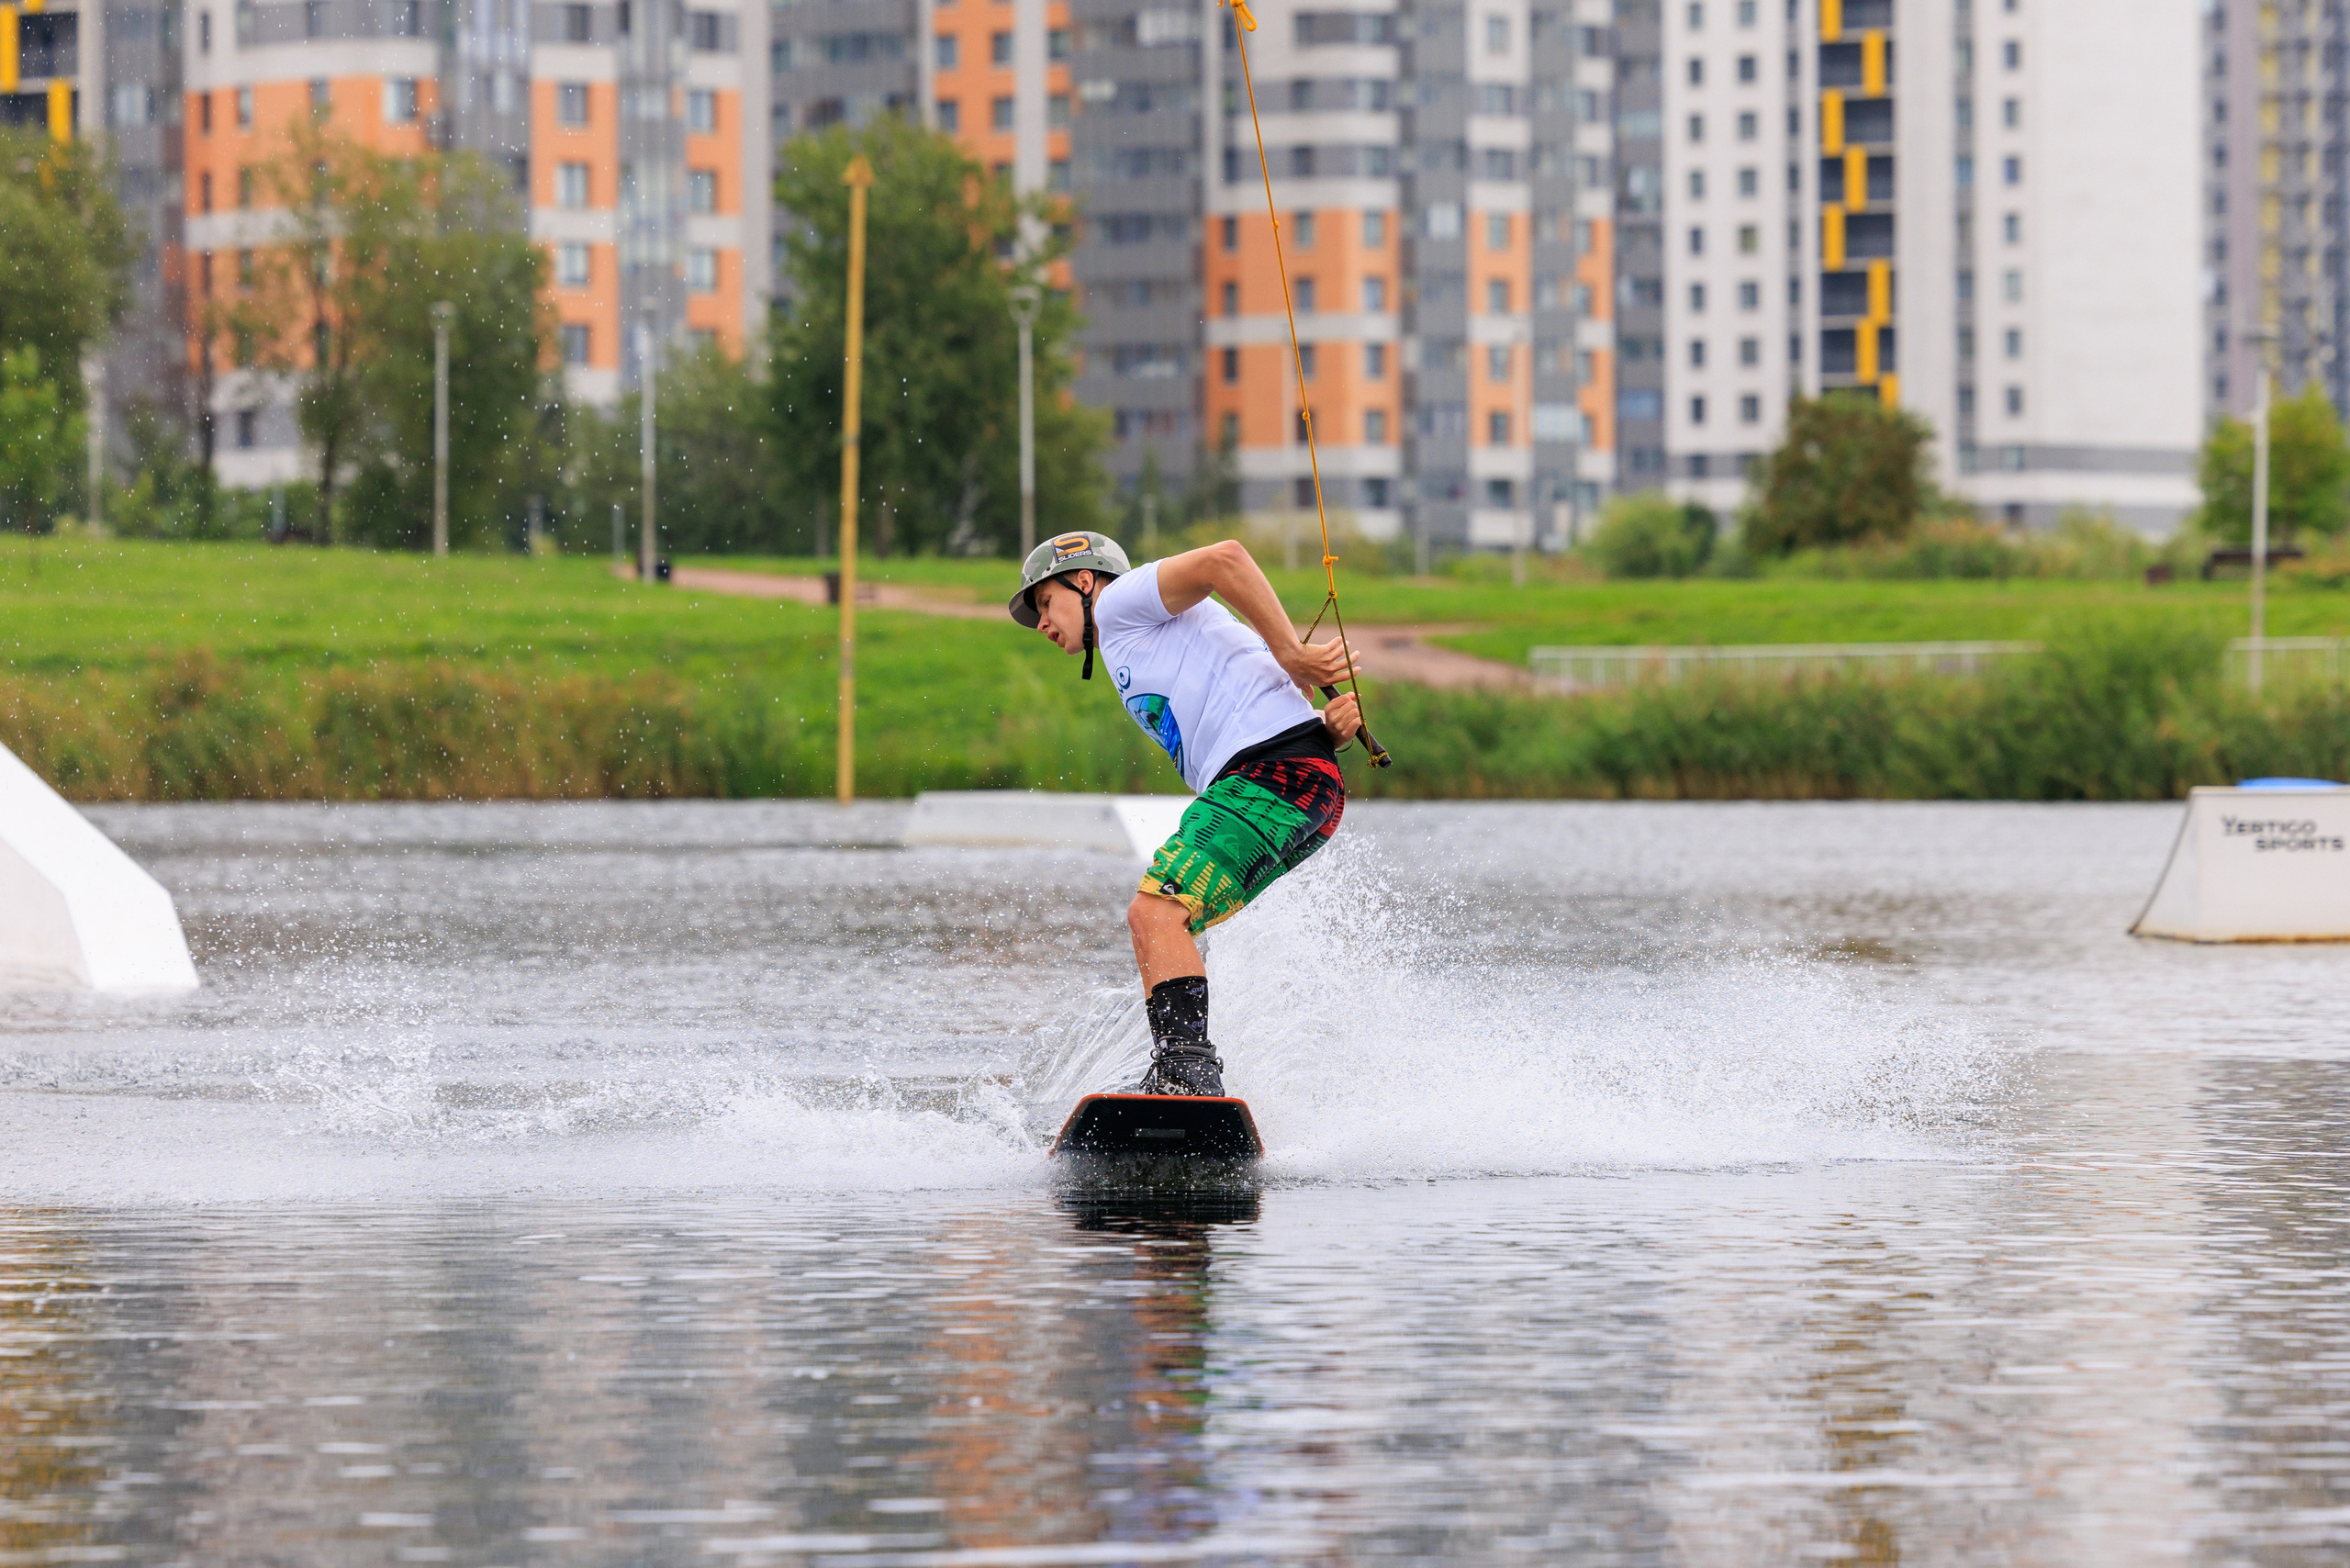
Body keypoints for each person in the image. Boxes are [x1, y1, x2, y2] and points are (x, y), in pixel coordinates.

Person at [1009, 531, 1365, 1097]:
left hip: (1270, 776)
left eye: (1045, 603)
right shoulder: (1140, 643)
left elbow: (1225, 559)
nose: (1043, 624)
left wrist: (1292, 655)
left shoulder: (1118, 604)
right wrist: (1328, 734)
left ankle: (1187, 1071)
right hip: (1297, 783)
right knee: (1171, 923)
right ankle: (1183, 1066)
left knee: (1155, 915)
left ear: (1082, 581)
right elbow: (1245, 689)